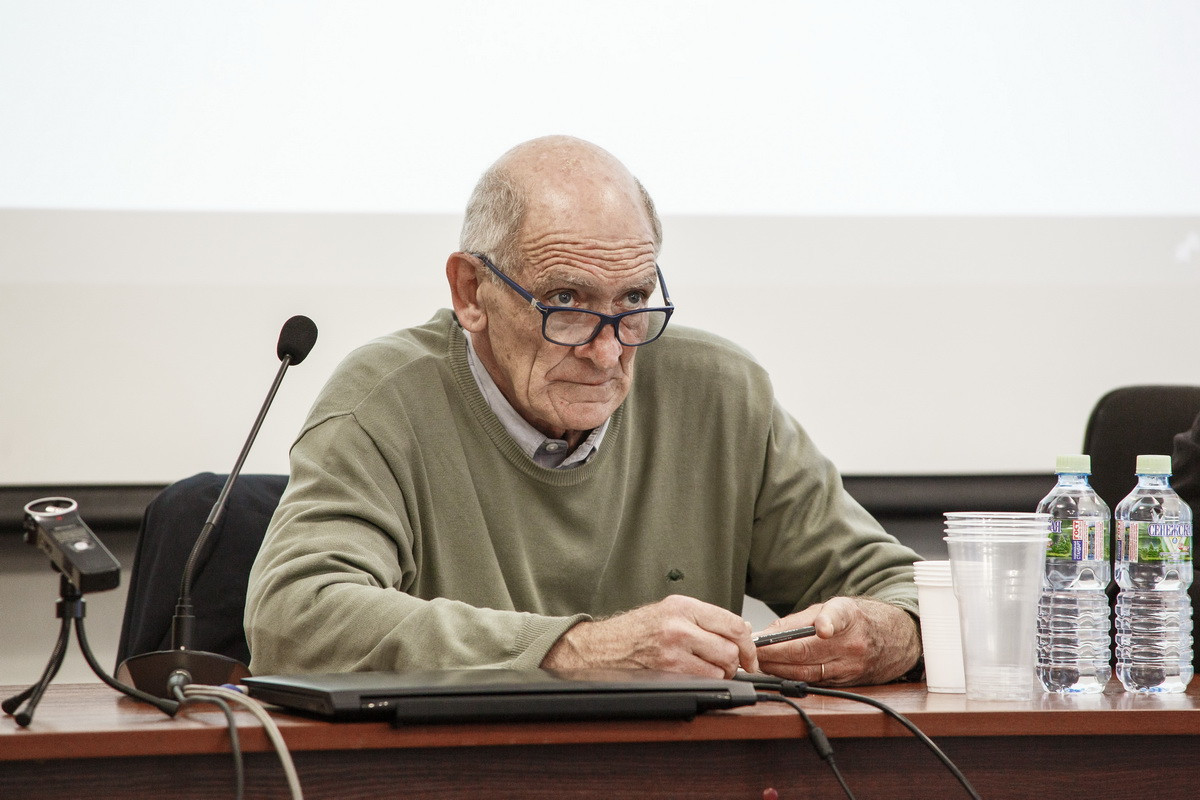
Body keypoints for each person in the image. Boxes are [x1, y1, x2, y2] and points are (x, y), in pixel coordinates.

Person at [244, 136, 922, 686]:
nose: (607, 352)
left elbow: (899, 588)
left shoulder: (720, 394)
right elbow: (295, 619)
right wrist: (580, 650)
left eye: (633, 300)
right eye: (566, 302)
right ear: (471, 291)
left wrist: (887, 633)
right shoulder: (383, 402)